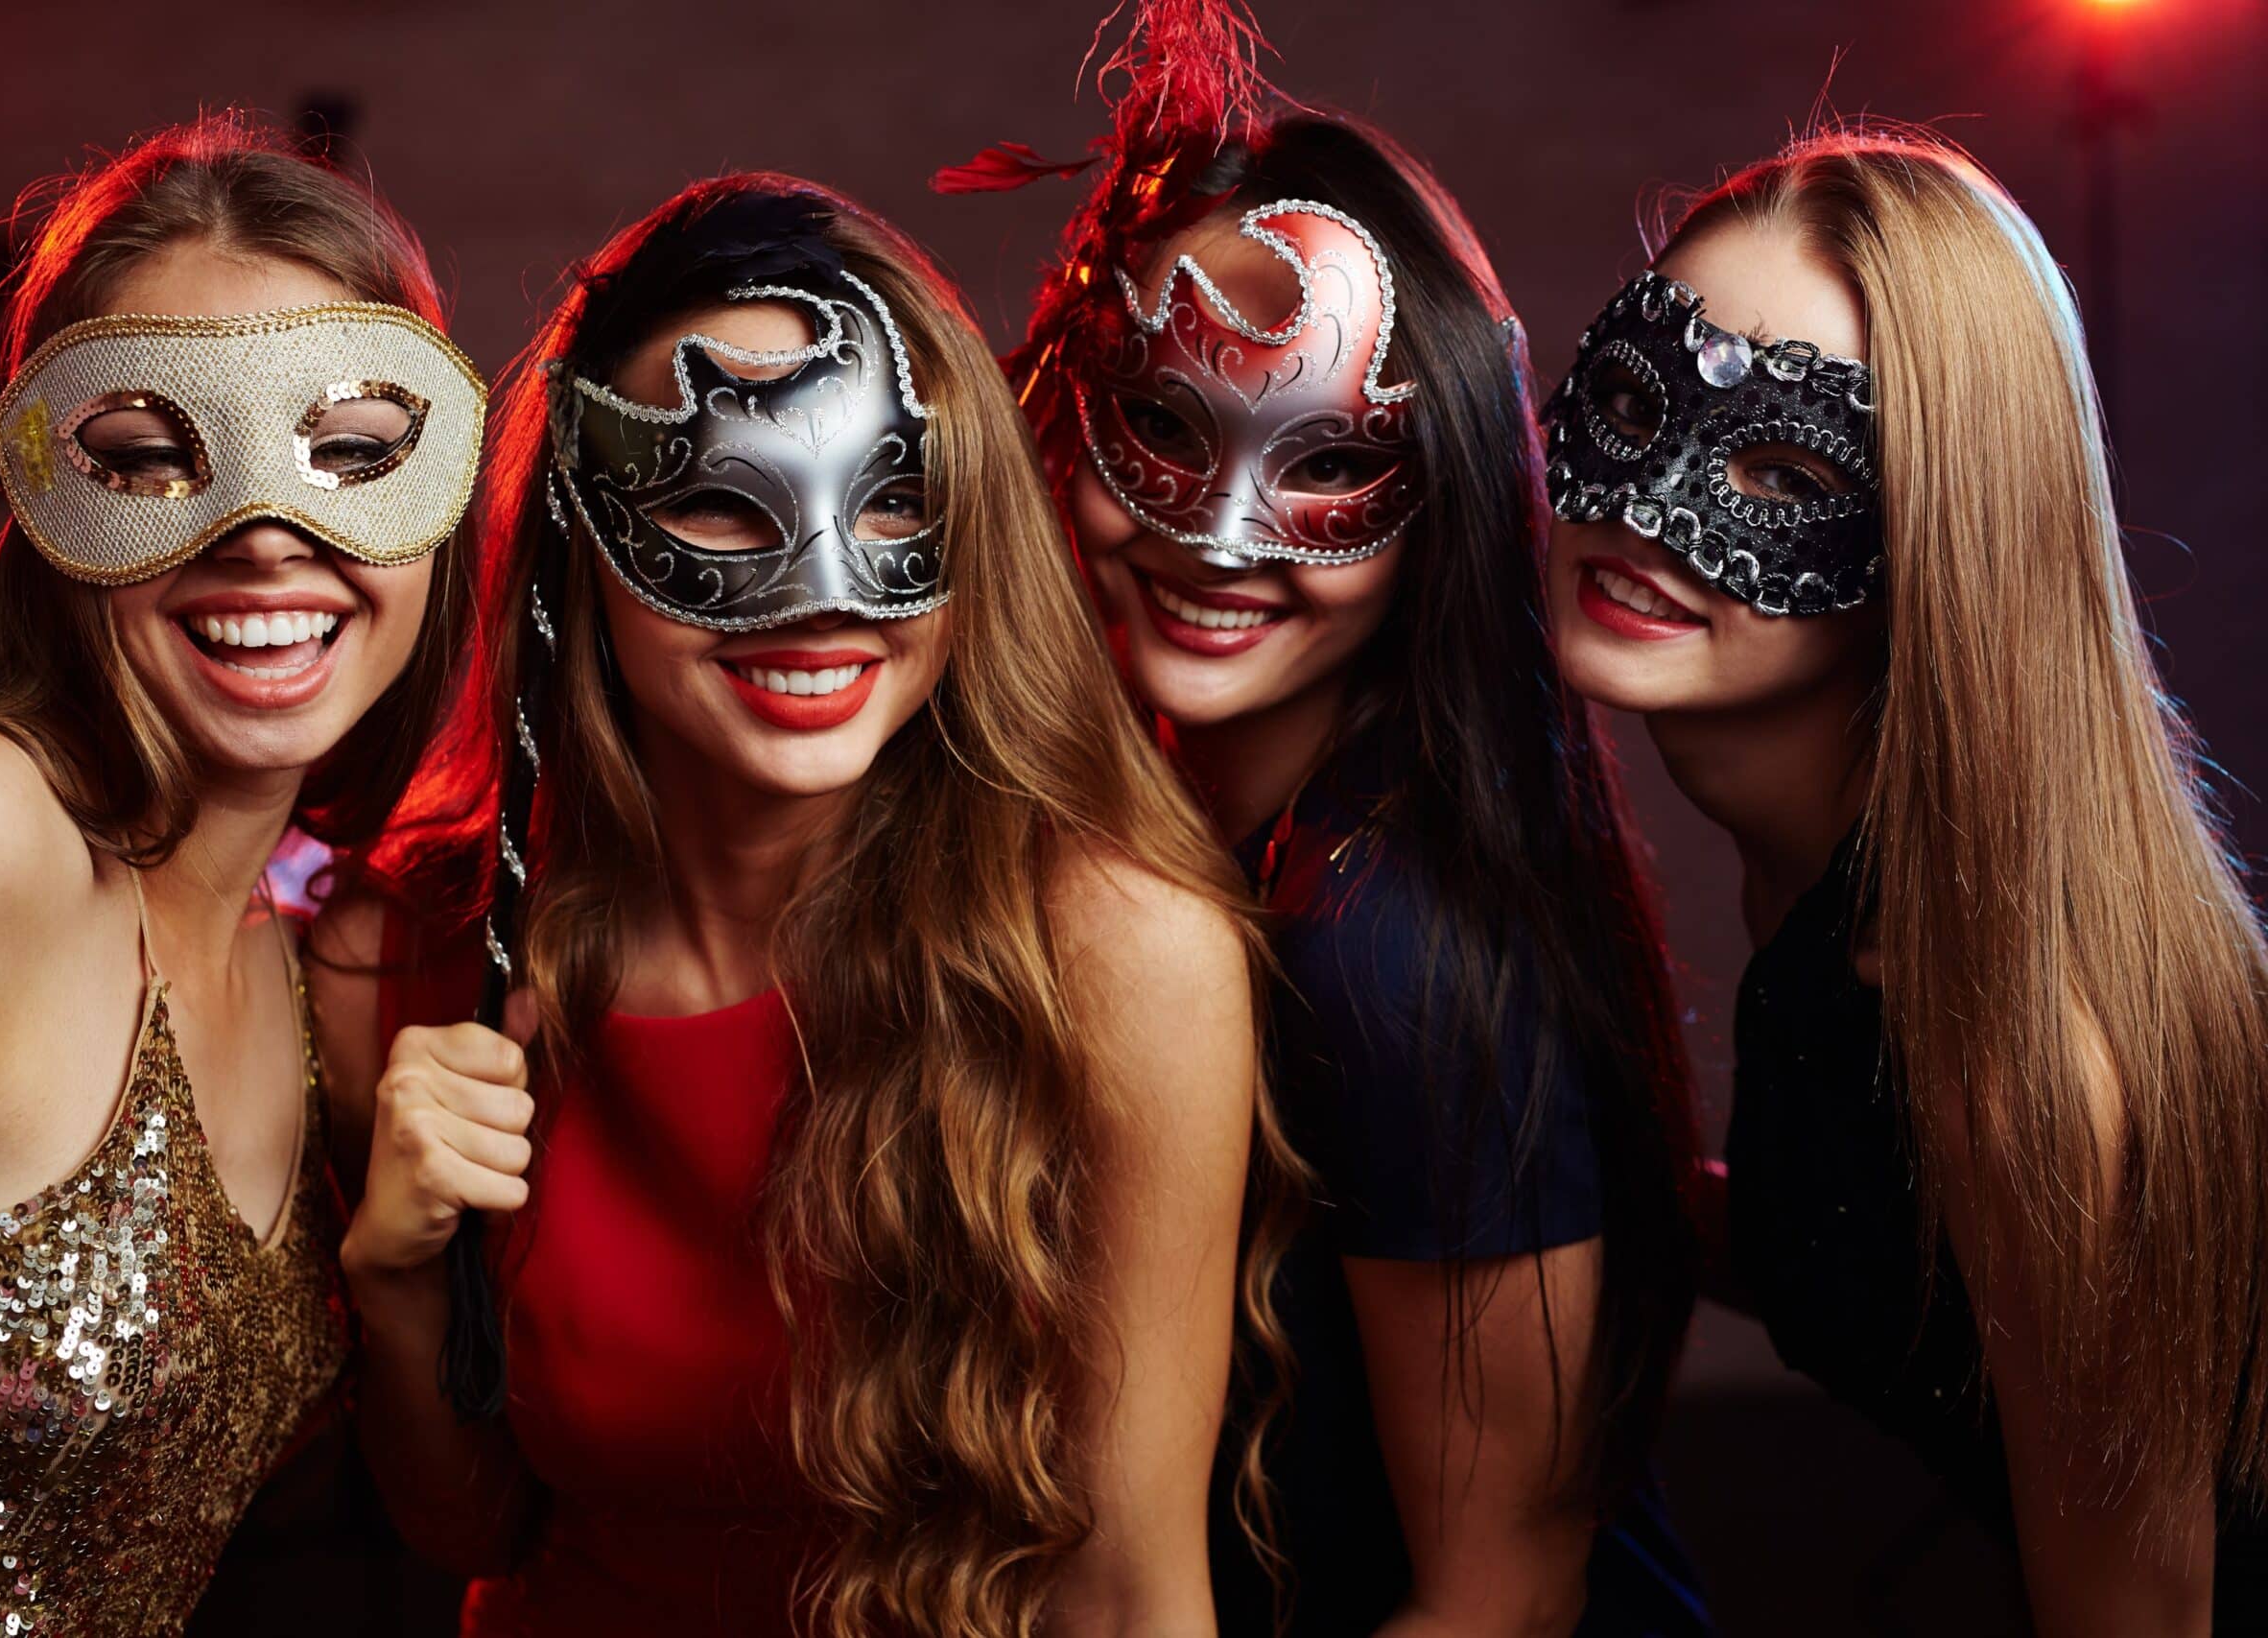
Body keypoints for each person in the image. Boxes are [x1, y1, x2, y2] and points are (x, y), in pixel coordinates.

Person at [309, 176, 1296, 1636]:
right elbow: (469, 1526)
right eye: (719, 501)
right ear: (583, 541)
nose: (822, 597)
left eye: (895, 499)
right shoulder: (395, 957)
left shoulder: (1121, 958)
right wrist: (394, 1287)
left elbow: (1134, 1595)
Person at [963, 6, 1711, 1630]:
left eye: (1327, 465)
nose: (1225, 538)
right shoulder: (1189, 857)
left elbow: (1497, 1599)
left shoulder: (1391, 953)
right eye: (1161, 427)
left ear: (1435, 493)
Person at [1542, 126, 2268, 1633]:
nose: (1651, 506)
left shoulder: (2021, 1047)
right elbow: (1878, 1253)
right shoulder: (1843, 877)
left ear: (1941, 531)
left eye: (1781, 467)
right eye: (1635, 400)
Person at [0, 113, 483, 1635]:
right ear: (46, 498)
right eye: (145, 456)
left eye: (355, 454)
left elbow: (471, 1519)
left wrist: (397, 1279)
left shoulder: (311, 957)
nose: (264, 535)